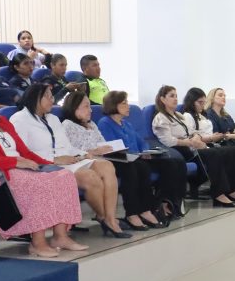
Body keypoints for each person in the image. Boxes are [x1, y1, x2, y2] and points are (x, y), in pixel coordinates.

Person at [0, 82, 87, 257]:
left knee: (64, 175)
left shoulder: (1, 121)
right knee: (39, 183)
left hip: (20, 168)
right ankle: (37, 243)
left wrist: (45, 164)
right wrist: (14, 162)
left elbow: (24, 151)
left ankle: (60, 236)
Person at [10, 84, 129, 239]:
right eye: (48, 96)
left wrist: (83, 155)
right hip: (47, 163)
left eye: (52, 96)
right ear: (36, 98)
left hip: (67, 159)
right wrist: (54, 159)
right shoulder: (20, 119)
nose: (52, 100)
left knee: (106, 165)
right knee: (90, 177)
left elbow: (66, 146)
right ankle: (105, 218)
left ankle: (111, 218)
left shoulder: (52, 119)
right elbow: (22, 151)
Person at [63, 91, 166, 230]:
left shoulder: (92, 124)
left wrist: (106, 149)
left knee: (143, 167)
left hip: (105, 158)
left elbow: (103, 143)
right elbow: (70, 151)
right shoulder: (68, 125)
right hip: (89, 162)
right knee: (130, 168)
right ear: (74, 107)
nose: (91, 110)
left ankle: (145, 210)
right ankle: (131, 213)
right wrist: (93, 151)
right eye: (86, 106)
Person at [97, 90, 188, 221]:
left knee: (173, 163)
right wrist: (137, 154)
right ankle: (138, 211)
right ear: (113, 105)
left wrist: (145, 152)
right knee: (139, 168)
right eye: (124, 103)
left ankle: (167, 202)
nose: (128, 106)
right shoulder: (105, 123)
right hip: (122, 161)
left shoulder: (126, 124)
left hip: (137, 157)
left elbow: (141, 142)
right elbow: (113, 148)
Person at [151, 85, 235, 207]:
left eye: (176, 96)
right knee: (215, 153)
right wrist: (190, 142)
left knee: (224, 152)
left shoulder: (178, 115)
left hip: (192, 146)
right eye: (171, 96)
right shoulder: (160, 118)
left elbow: (191, 132)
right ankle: (219, 194)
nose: (175, 99)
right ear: (162, 99)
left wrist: (196, 137)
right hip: (180, 150)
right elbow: (168, 141)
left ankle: (231, 189)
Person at [182, 87, 235, 198]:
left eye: (203, 102)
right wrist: (212, 138)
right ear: (192, 102)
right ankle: (223, 192)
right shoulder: (188, 116)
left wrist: (214, 137)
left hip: (210, 143)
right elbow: (192, 137)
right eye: (200, 102)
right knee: (230, 151)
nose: (202, 105)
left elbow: (210, 133)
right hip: (200, 148)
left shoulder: (203, 115)